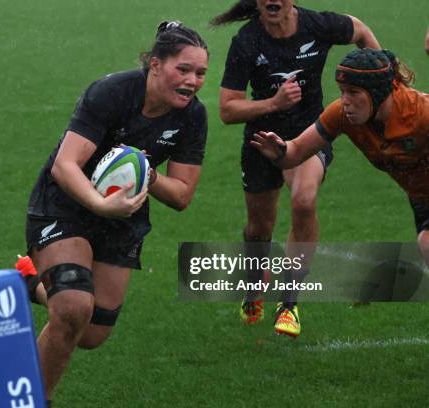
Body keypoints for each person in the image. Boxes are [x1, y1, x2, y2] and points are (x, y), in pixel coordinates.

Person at [24, 21, 208, 401]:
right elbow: (65, 165)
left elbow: (182, 195)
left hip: (125, 215)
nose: (193, 81)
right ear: (155, 65)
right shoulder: (112, 92)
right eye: (184, 69)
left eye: (201, 73)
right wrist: (99, 203)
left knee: (92, 333)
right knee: (73, 309)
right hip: (66, 205)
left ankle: (27, 282)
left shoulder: (192, 116)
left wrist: (148, 173)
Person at [210, 0, 380, 337]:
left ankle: (288, 302)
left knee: (303, 200)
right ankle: (256, 280)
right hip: (261, 142)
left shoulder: (317, 25)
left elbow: (360, 29)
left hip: (309, 135)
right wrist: (273, 103)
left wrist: (382, 76)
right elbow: (227, 110)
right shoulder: (247, 41)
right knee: (259, 228)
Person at [252, 48, 429, 270]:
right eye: (342, 91)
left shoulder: (421, 113)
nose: (345, 100)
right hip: (421, 197)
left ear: (378, 92)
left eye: (353, 92)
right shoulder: (342, 115)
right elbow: (296, 151)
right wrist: (280, 151)